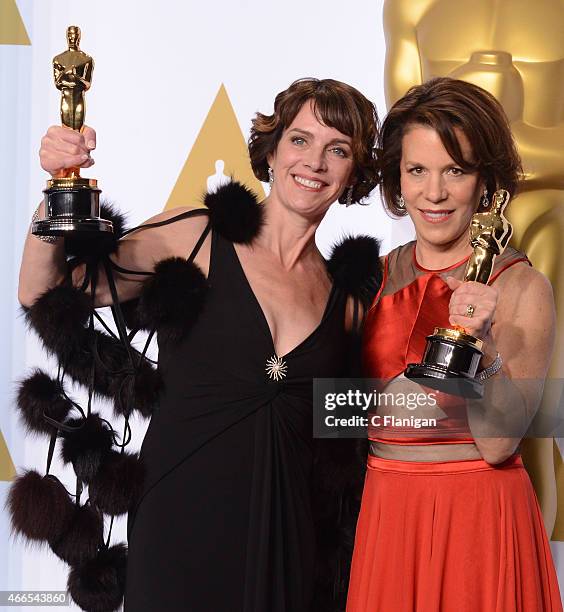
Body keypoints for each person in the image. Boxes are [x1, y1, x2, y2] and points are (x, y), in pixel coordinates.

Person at [18, 78, 380, 611]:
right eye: (300, 140)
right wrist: (58, 189)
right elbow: (41, 291)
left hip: (289, 548)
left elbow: (352, 435)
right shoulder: (198, 239)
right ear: (272, 150)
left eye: (338, 149)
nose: (315, 163)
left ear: (354, 172)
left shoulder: (346, 301)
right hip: (178, 530)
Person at [347, 77, 562, 611]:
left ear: (484, 180)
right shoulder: (368, 279)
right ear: (397, 179)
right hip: (387, 513)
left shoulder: (520, 287)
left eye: (455, 171)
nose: (434, 193)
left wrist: (481, 347)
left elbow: (497, 445)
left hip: (478, 520)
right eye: (417, 171)